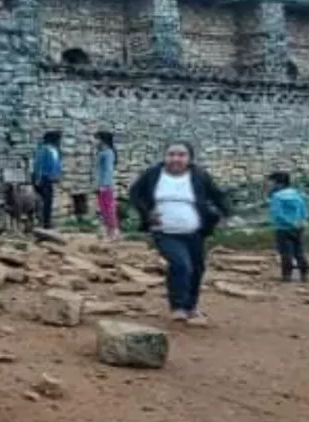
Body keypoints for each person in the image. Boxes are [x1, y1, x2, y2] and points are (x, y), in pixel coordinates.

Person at [129, 141, 230, 325]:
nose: (175, 159)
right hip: (164, 231)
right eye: (171, 154)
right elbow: (135, 194)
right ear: (165, 156)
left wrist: (224, 214)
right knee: (181, 264)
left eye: (181, 155)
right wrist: (147, 213)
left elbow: (218, 195)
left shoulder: (199, 175)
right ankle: (177, 307)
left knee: (197, 268)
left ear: (189, 158)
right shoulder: (153, 174)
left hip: (195, 232)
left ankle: (191, 306)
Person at [268, 171, 309, 283]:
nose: (270, 185)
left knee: (286, 253)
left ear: (279, 184)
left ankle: (287, 276)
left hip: (283, 229)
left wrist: (290, 222)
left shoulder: (276, 197)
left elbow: (278, 214)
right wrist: (302, 221)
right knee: (299, 251)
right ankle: (304, 274)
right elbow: (303, 209)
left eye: (272, 183)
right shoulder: (296, 194)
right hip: (299, 227)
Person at [31, 131, 63, 230]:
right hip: (43, 179)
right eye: (58, 139)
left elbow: (56, 164)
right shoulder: (43, 150)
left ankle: (47, 222)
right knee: (43, 202)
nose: (60, 142)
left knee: (48, 202)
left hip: (51, 179)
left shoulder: (55, 150)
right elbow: (38, 165)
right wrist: (37, 179)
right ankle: (43, 223)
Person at [95, 131, 120, 240]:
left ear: (102, 140)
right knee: (103, 208)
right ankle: (107, 231)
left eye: (96, 138)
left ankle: (114, 231)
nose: (94, 141)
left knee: (108, 208)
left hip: (106, 186)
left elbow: (108, 170)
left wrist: (104, 185)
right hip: (101, 185)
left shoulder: (108, 153)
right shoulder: (102, 152)